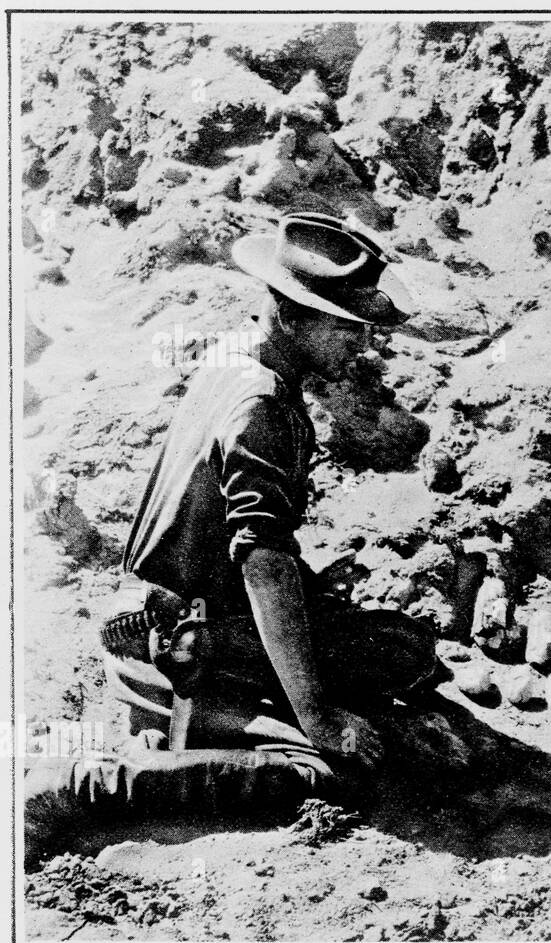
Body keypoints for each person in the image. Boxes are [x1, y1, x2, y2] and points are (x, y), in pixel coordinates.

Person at [26, 213, 448, 858]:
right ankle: (89, 783)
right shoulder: (263, 408)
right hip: (184, 640)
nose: (362, 344)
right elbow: (262, 564)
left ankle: (219, 706)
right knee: (330, 773)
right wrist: (320, 718)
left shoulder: (239, 355)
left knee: (404, 653)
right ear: (292, 316)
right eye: (347, 327)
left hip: (174, 611)